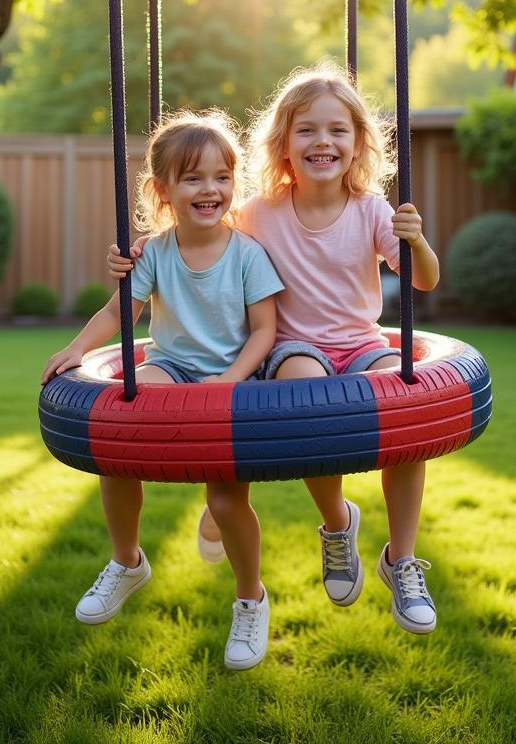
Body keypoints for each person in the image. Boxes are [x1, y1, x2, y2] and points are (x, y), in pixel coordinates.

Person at [109, 63, 441, 635]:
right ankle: (338, 525)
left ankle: (401, 560)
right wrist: (147, 244)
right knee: (308, 395)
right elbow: (199, 226)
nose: (323, 141)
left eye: (338, 130)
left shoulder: (372, 210)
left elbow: (424, 282)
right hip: (292, 346)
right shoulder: (259, 210)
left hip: (364, 342)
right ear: (284, 143)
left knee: (403, 401)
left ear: (359, 142)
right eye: (307, 129)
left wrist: (417, 240)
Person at [43, 110, 283, 671]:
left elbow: (266, 330)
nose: (210, 189)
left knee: (226, 500)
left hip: (232, 377)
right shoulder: (153, 252)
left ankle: (251, 597)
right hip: (172, 366)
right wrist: (77, 348)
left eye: (222, 176)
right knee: (121, 430)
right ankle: (128, 561)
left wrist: (230, 379)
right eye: (194, 178)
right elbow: (120, 310)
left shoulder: (247, 254)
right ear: (163, 190)